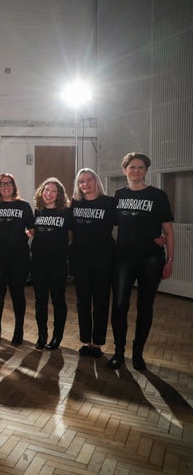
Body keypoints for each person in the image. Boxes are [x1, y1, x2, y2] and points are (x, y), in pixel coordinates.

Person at [107, 153, 174, 371]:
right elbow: (107, 224)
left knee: (145, 306)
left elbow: (168, 231)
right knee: (119, 305)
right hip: (123, 258)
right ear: (124, 169)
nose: (136, 171)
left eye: (141, 167)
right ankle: (119, 352)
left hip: (151, 258)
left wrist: (170, 259)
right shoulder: (118, 195)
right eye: (132, 167)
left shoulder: (158, 195)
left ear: (146, 170)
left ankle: (137, 354)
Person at [70, 168, 116, 358]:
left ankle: (97, 343)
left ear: (96, 181)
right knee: (82, 302)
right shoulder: (74, 204)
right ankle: (86, 341)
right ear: (78, 185)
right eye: (81, 181)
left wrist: (158, 235)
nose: (85, 184)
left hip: (103, 258)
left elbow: (131, 224)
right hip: (80, 258)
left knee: (101, 301)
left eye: (89, 180)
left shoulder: (109, 203)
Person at [0, 173, 35, 345]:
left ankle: (18, 330)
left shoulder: (24, 206)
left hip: (19, 258)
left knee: (17, 294)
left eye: (9, 184)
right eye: (2, 184)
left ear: (14, 186)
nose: (6, 187)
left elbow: (33, 229)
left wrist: (22, 238)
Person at [31, 177, 72, 350]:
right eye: (46, 190)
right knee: (40, 302)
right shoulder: (37, 211)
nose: (49, 194)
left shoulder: (66, 212)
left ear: (59, 195)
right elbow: (33, 232)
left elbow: (72, 234)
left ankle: (57, 337)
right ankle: (42, 336)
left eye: (53, 191)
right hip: (38, 263)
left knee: (58, 301)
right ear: (42, 192)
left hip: (58, 263)